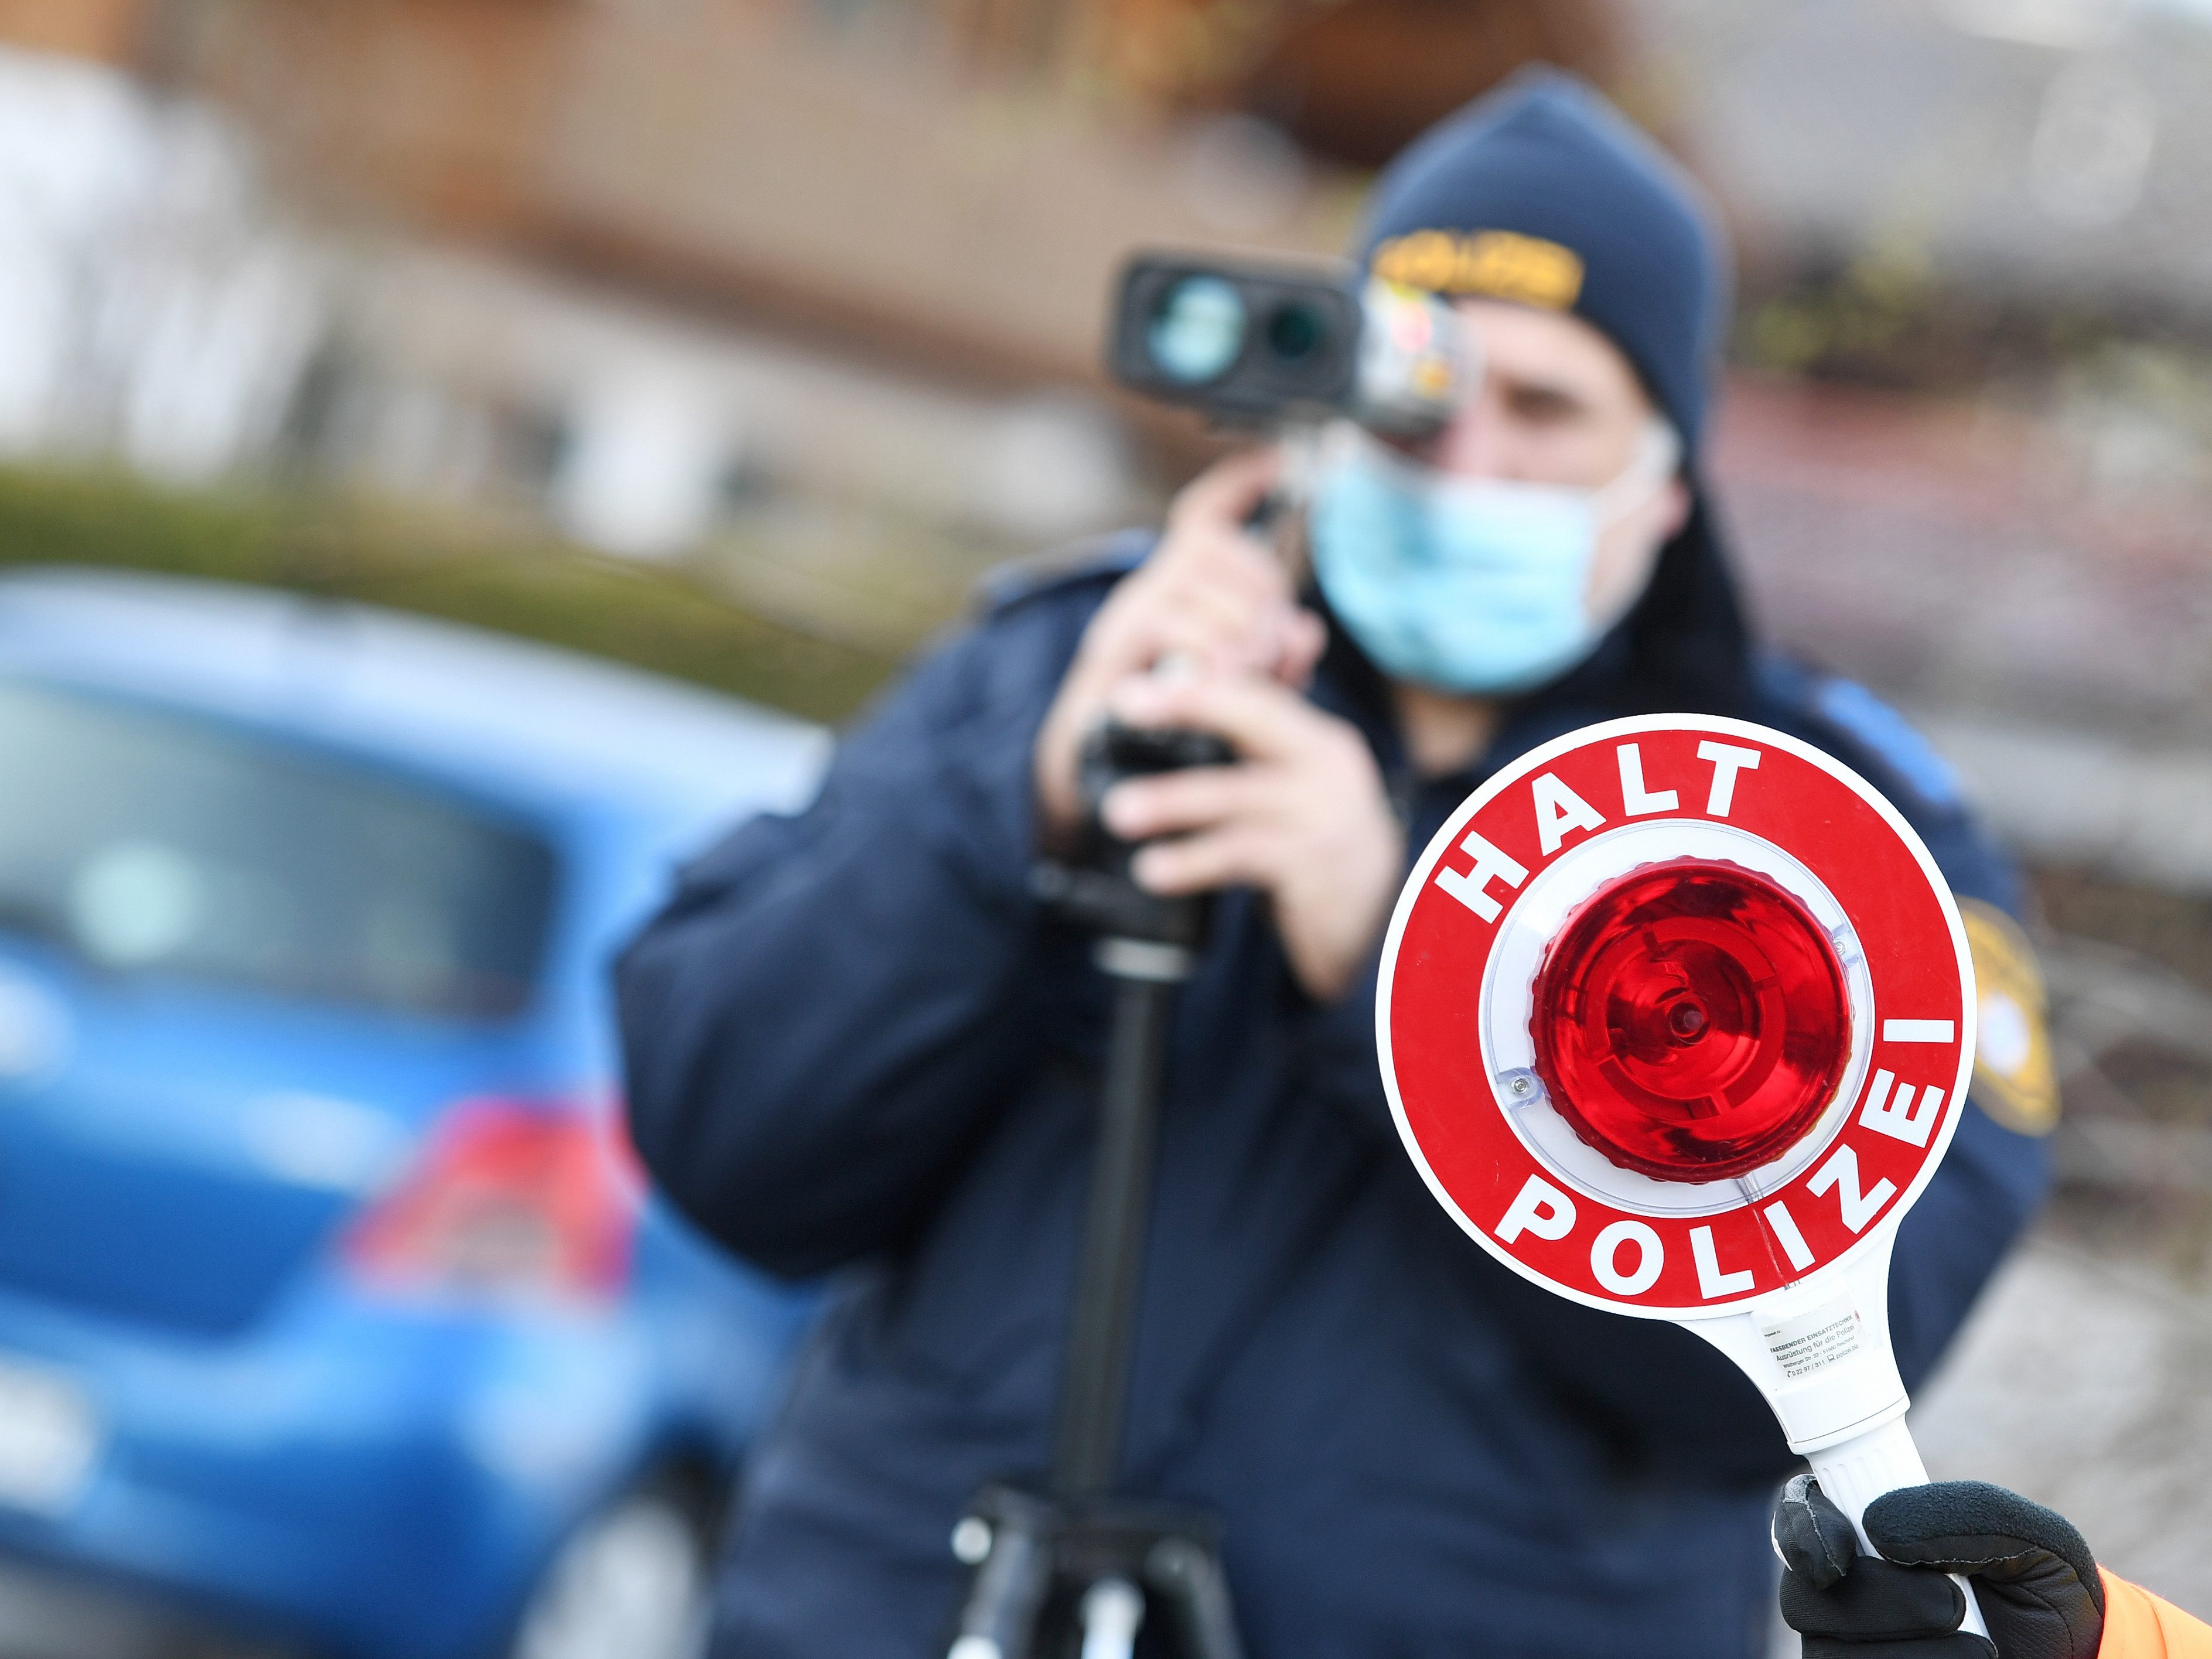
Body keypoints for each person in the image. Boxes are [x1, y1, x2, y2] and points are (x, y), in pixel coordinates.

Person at [616, 69, 2056, 1657]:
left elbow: (1842, 1353)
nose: (1468, 467)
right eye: (1422, 400)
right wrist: (1017, 799)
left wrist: (1413, 955)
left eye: (1551, 411)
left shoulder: (1815, 829)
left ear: (1668, 485)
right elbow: (720, 1133)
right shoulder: (1071, 665)